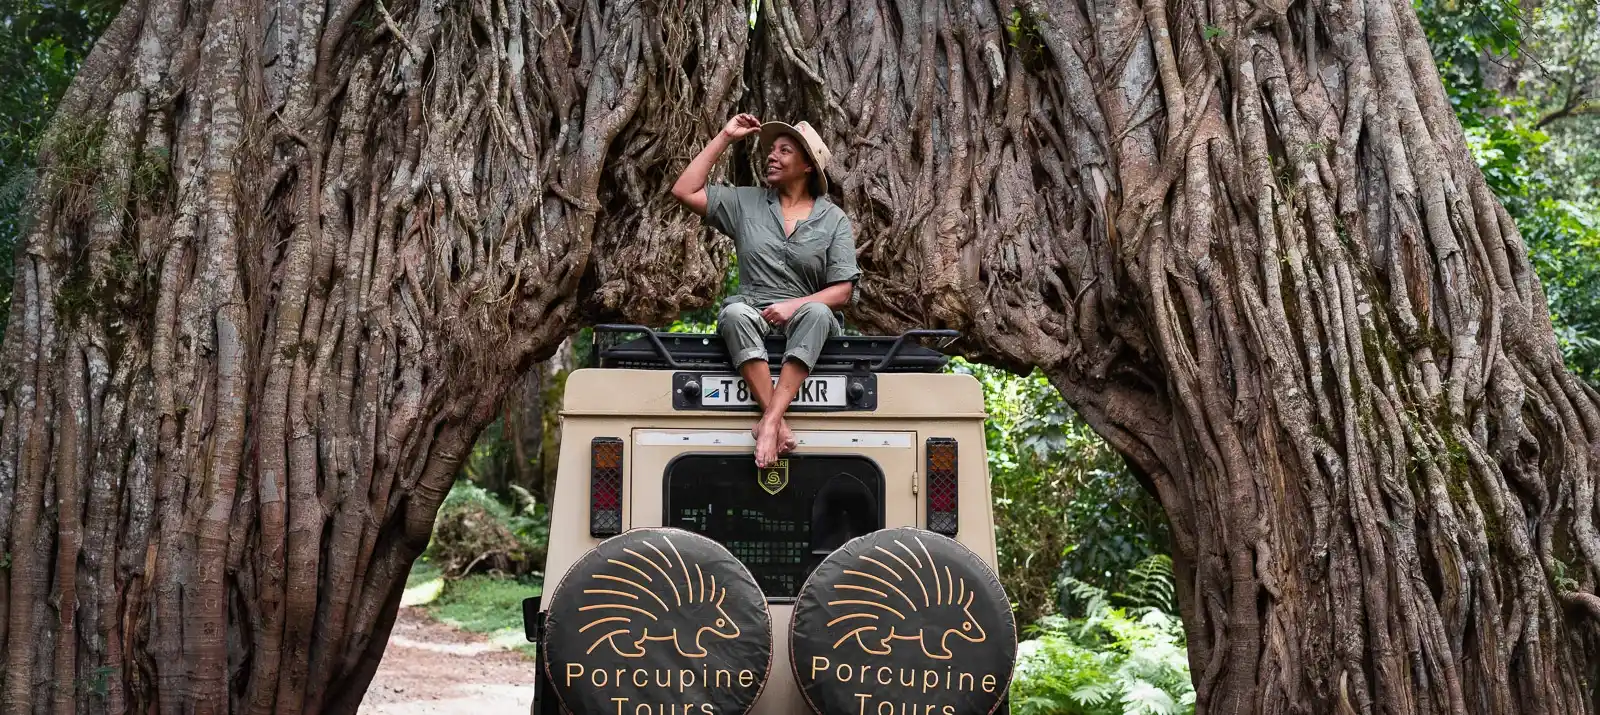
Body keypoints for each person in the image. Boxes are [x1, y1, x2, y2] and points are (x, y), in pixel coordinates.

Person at [670, 114, 860, 468]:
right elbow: (685, 190)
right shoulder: (747, 203)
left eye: (784, 151)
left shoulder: (833, 219)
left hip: (808, 317)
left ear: (807, 166)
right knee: (734, 314)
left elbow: (842, 291)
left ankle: (769, 421)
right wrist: (725, 136)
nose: (772, 156)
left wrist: (793, 305)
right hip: (753, 308)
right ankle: (778, 420)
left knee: (819, 312)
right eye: (771, 150)